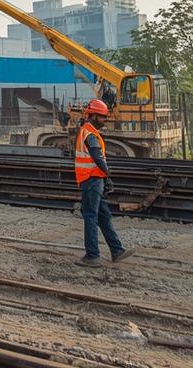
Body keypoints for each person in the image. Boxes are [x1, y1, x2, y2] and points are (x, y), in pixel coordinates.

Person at [75, 98, 131, 267]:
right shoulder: (89, 134)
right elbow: (97, 157)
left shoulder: (89, 132)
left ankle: (100, 254)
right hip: (92, 179)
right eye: (101, 117)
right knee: (99, 216)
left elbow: (97, 157)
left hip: (92, 180)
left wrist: (105, 177)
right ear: (92, 116)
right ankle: (110, 252)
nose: (104, 121)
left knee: (94, 215)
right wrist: (107, 176)